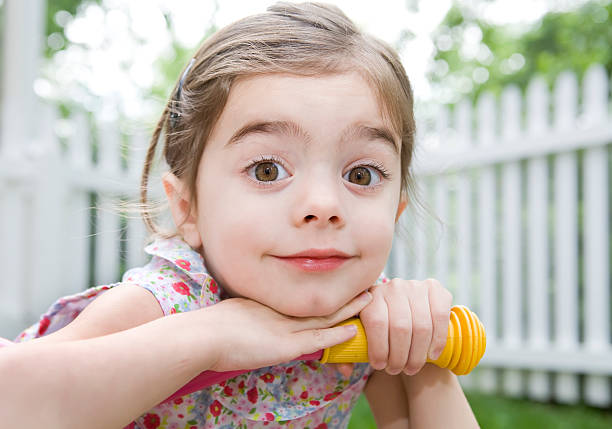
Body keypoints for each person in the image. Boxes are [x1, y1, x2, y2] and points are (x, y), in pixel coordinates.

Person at [0, 2, 479, 428]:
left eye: (361, 175)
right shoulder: (156, 307)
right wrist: (211, 337)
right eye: (267, 169)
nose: (325, 206)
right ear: (187, 207)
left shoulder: (356, 325)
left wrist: (424, 357)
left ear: (394, 212)